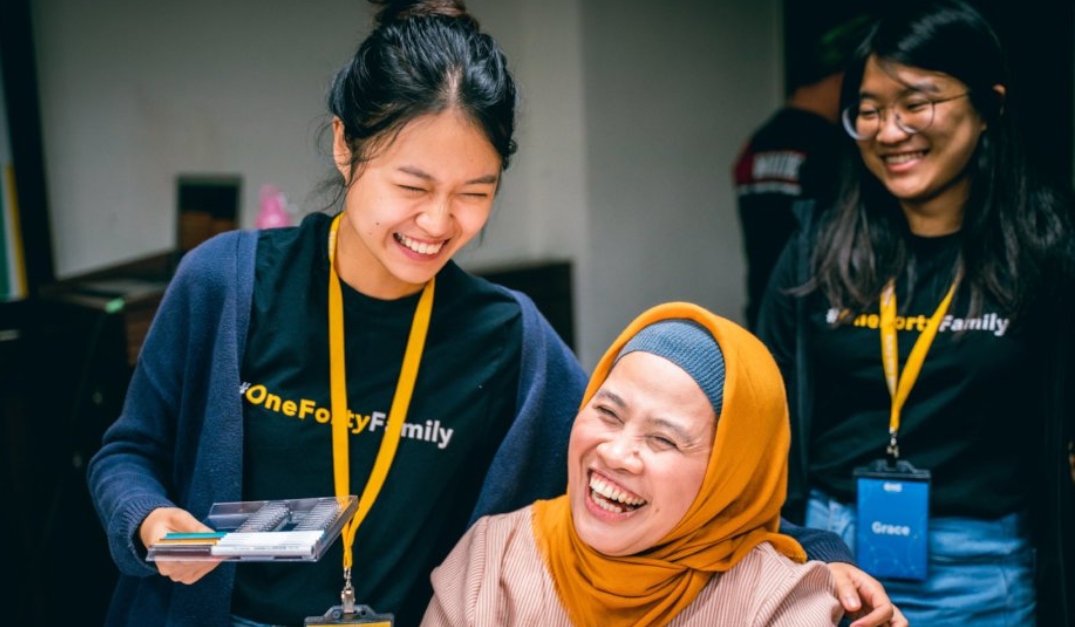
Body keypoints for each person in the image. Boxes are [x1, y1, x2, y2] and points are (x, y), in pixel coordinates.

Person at [87, 1, 904, 626]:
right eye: (412, 186)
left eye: (474, 194)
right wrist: (152, 520)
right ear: (346, 145)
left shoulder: (506, 340)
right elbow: (127, 452)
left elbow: (642, 462)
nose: (438, 223)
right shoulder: (228, 282)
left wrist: (819, 552)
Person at [756, 1, 1075, 625]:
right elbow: (764, 397)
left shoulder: (1046, 249)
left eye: (916, 102)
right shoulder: (817, 245)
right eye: (870, 110)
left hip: (981, 571)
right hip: (827, 558)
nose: (889, 129)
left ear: (989, 105)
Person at [423, 301, 843, 626]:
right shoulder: (493, 557)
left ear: (728, 478)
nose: (616, 454)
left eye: (663, 439)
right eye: (607, 412)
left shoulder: (781, 603)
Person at [732, 13, 873, 330]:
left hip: (763, 309)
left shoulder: (756, 142)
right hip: (815, 315)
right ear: (842, 79)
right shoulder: (833, 148)